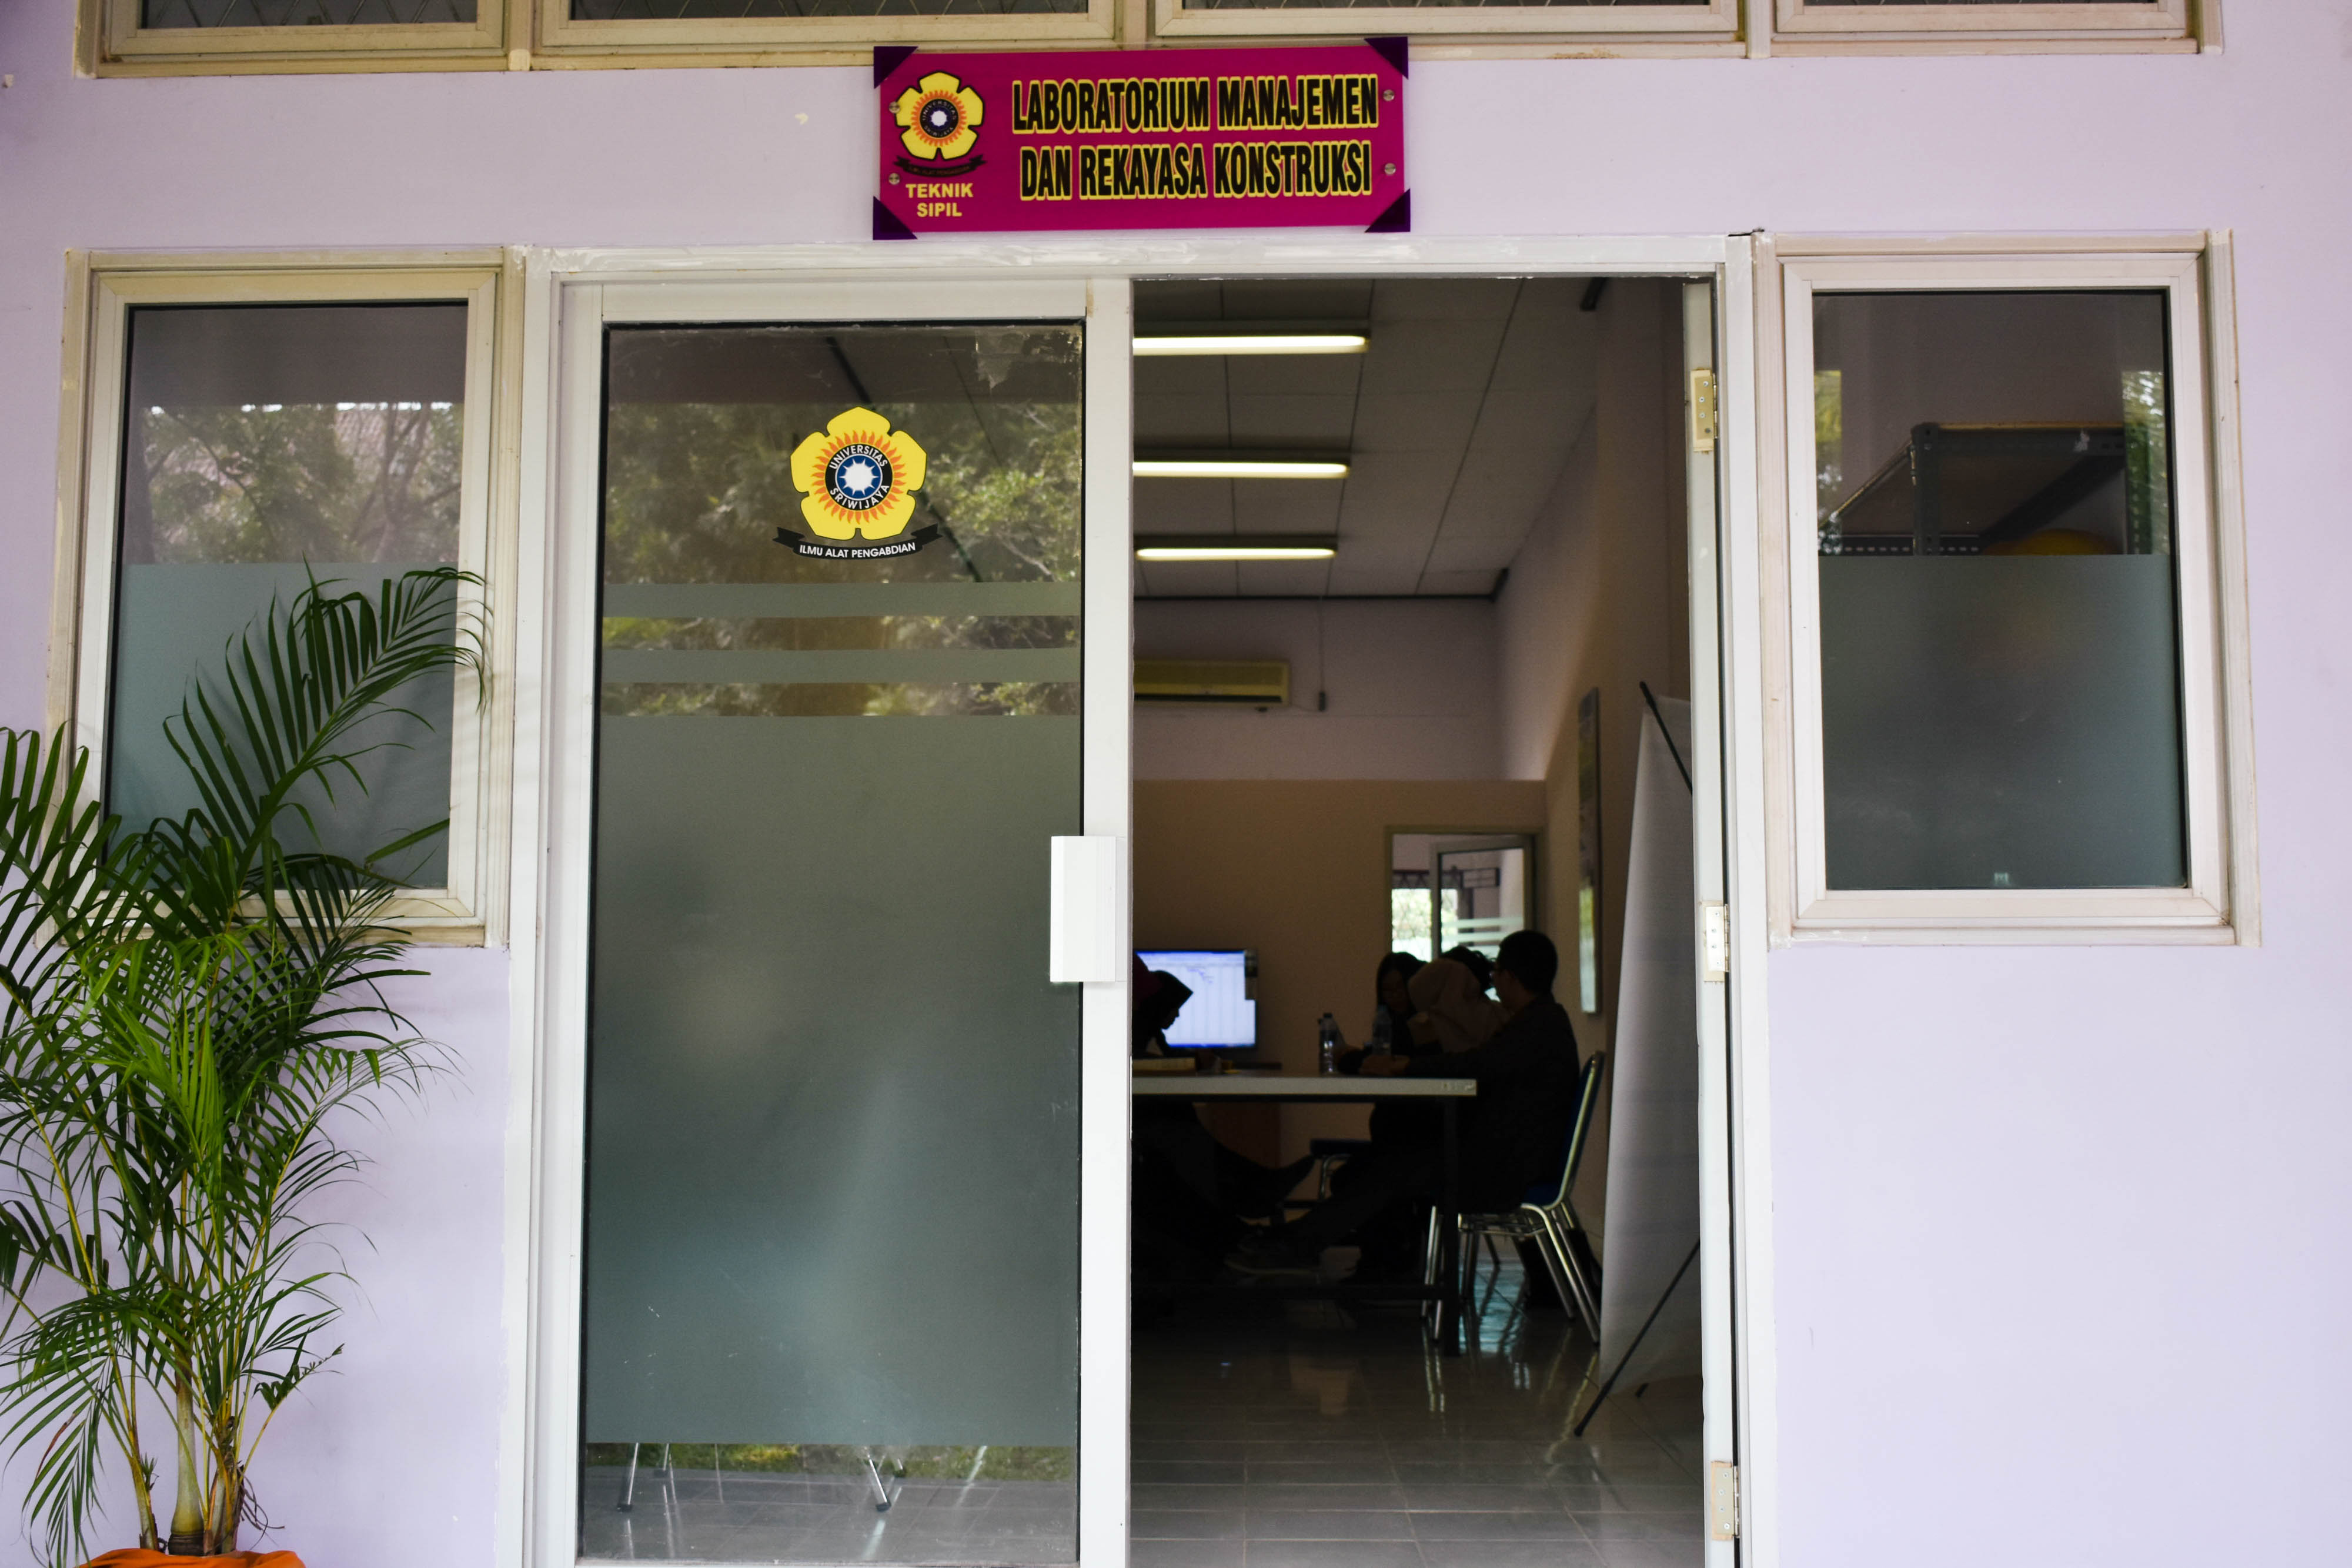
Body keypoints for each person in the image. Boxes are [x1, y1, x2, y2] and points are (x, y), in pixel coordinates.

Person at [1234, 930, 1579, 1279]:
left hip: (1501, 1172)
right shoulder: (1543, 1022)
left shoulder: (1535, 1027)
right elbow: (1478, 1063)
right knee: (1389, 1161)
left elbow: (1474, 1064)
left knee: (1393, 1165)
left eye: (1497, 971)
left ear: (1511, 977)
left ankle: (1303, 1248)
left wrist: (1406, 1065)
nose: (1493, 980)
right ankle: (1317, 1249)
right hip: (1506, 1160)